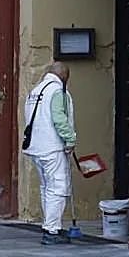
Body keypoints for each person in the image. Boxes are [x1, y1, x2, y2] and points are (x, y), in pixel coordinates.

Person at [21, 61, 77, 245]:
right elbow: (59, 119)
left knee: (46, 187)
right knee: (58, 188)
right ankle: (52, 231)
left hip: (36, 147)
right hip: (52, 147)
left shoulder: (35, 90)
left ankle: (50, 225)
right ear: (64, 77)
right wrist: (70, 139)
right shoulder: (57, 91)